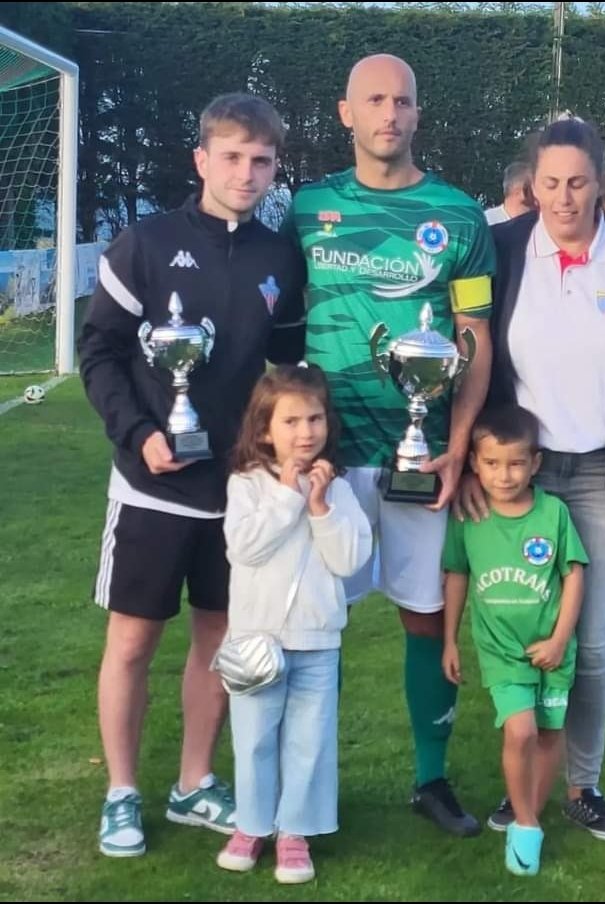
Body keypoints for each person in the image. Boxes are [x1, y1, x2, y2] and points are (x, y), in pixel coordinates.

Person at [78, 92, 307, 858]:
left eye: (262, 161)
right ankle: (120, 793)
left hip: (238, 492)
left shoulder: (281, 257)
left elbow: (287, 369)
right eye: (233, 157)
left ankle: (192, 784)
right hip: (153, 486)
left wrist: (292, 447)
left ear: (276, 169)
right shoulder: (143, 243)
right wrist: (139, 433)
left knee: (219, 640)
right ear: (202, 158)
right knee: (135, 642)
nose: (247, 173)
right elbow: (100, 352)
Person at [284, 53, 495, 837]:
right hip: (327, 459)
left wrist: (461, 444)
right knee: (311, 623)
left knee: (425, 616)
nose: (389, 113)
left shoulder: (459, 216)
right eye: (374, 99)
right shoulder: (306, 210)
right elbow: (275, 323)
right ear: (346, 112)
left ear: (417, 113)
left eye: (402, 100)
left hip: (423, 456)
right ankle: (305, 787)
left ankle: (431, 780)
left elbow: (476, 336)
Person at [462, 117, 605, 845]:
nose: (564, 199)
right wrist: (469, 458)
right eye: (551, 183)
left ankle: (582, 785)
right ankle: (520, 784)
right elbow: (470, 360)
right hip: (516, 480)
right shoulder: (497, 250)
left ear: (604, 183)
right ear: (533, 182)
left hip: (601, 479)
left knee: (587, 645)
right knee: (517, 635)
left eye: (579, 182)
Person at [215, 364, 372, 884]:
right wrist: (287, 495)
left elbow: (350, 560)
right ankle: (252, 823)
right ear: (264, 428)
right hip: (256, 641)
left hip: (316, 640)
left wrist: (321, 506)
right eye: (291, 421)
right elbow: (245, 547)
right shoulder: (247, 485)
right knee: (255, 736)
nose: (305, 432)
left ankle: (295, 832)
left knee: (309, 739)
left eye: (315, 419)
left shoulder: (340, 489)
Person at [442, 405, 587, 876]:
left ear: (536, 463)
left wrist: (561, 639)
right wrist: (450, 641)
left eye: (516, 463)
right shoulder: (470, 516)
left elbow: (573, 576)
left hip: (552, 650)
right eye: (491, 464)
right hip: (502, 651)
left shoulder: (554, 513)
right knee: (520, 730)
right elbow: (457, 576)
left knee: (548, 734)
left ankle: (530, 808)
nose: (504, 476)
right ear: (475, 465)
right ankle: (525, 825)